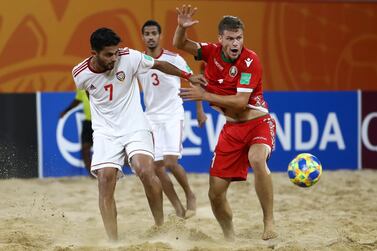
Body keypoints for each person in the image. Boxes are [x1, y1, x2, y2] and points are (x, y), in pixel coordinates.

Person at [72, 27, 206, 241]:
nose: (114, 58)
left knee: (145, 170)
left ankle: (160, 226)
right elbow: (90, 93)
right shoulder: (80, 74)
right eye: (108, 54)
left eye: (116, 52)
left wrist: (189, 76)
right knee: (105, 180)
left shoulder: (130, 57)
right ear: (93, 53)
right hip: (105, 132)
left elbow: (160, 64)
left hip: (135, 125)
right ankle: (113, 241)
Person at [173, 5, 278, 241]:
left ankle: (268, 221)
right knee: (215, 194)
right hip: (231, 130)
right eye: (230, 38)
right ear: (220, 39)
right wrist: (181, 27)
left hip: (258, 123)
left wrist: (205, 96)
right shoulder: (210, 52)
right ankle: (229, 236)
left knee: (257, 159)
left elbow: (241, 103)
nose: (235, 43)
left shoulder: (251, 61)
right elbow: (181, 44)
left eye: (239, 38)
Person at [138, 20, 198, 218]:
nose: (150, 37)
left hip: (172, 113)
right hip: (151, 117)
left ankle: (190, 195)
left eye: (154, 33)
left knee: (171, 162)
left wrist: (200, 110)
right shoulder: (139, 62)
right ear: (142, 37)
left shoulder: (175, 58)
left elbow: (194, 81)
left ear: (160, 35)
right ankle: (178, 208)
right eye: (147, 34)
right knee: (156, 168)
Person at [60, 89, 93, 176]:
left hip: (101, 121)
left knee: (107, 149)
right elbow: (77, 100)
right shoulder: (82, 83)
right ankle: (92, 175)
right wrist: (66, 110)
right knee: (85, 148)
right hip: (88, 122)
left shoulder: (99, 81)